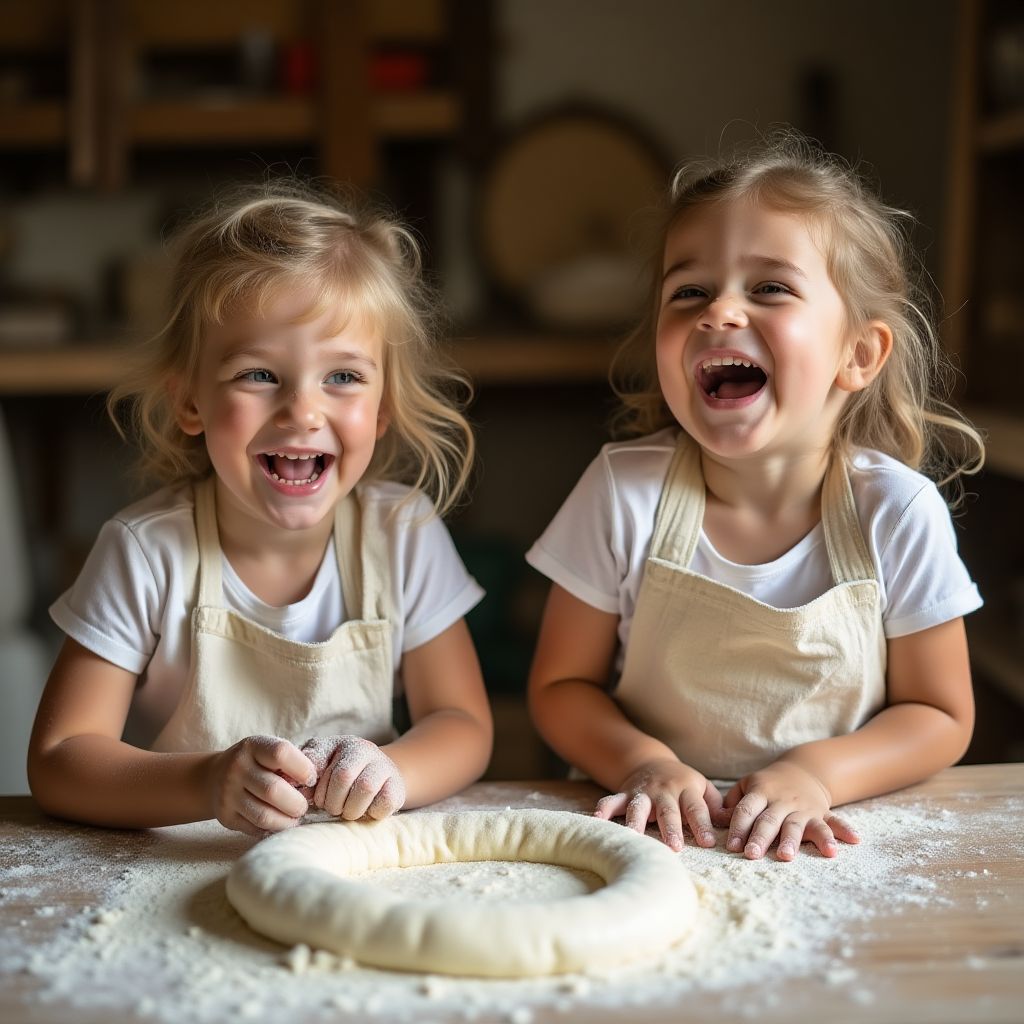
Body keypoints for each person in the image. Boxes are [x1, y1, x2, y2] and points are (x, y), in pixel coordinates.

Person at [526, 132, 984, 862]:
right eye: (690, 292)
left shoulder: (896, 511)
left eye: (769, 288)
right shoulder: (623, 491)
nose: (718, 313)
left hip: (827, 845)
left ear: (858, 353)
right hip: (651, 841)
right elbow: (560, 685)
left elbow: (940, 714)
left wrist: (817, 774)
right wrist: (644, 763)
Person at [28, 180, 492, 835]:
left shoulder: (402, 533)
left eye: (343, 376)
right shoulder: (145, 551)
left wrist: (394, 770)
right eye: (259, 375)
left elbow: (463, 723)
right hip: (174, 867)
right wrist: (206, 780)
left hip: (353, 867)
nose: (302, 410)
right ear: (190, 401)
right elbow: (59, 758)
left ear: (383, 407)